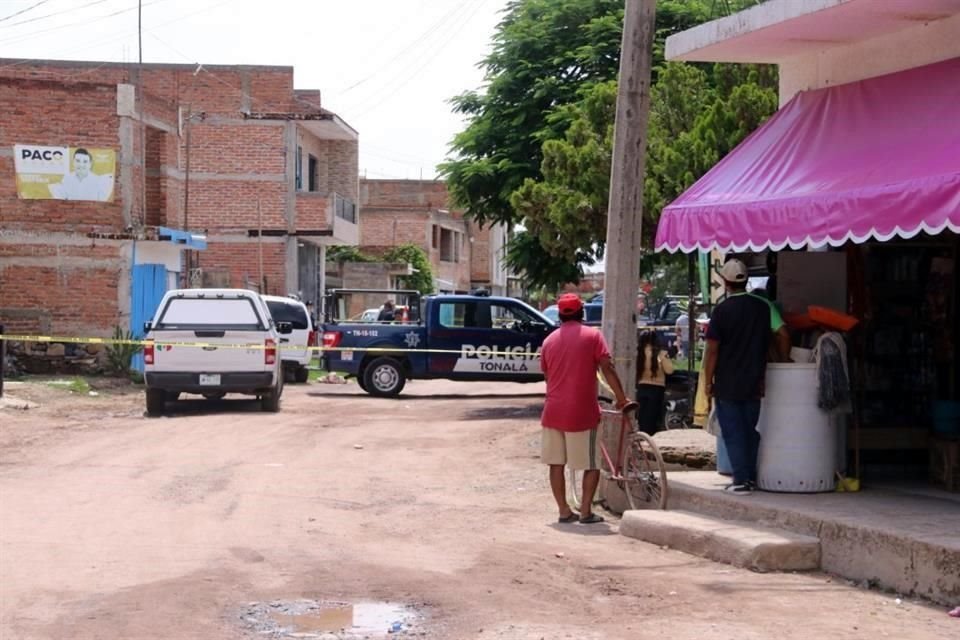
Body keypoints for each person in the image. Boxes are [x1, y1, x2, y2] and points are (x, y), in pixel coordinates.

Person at [539, 293, 633, 524]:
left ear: (560, 314)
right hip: (582, 412)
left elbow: (548, 376)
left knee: (556, 463)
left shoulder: (549, 341)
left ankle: (563, 510)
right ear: (582, 312)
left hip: (552, 412)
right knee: (592, 464)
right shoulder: (593, 336)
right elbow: (607, 369)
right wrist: (622, 399)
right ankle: (585, 512)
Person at [703, 259, 791, 495]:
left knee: (733, 431)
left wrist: (707, 382)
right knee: (750, 429)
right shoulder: (763, 307)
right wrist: (783, 359)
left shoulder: (721, 311)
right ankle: (750, 476)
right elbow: (783, 334)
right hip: (756, 380)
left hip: (727, 381)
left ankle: (741, 480)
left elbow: (712, 350)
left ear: (725, 281)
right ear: (746, 280)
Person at [636, 330, 674, 435]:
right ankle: (650, 440)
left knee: (642, 416)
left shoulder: (637, 354)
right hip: (657, 388)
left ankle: (641, 436)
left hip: (641, 387)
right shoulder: (661, 353)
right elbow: (669, 370)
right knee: (652, 417)